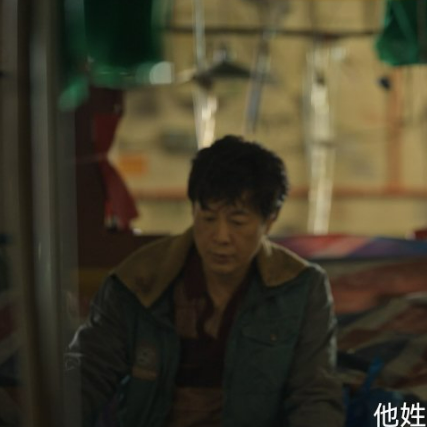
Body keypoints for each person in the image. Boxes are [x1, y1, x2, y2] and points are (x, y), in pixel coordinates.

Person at [65, 135, 344, 427]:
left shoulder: (300, 288)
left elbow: (314, 395)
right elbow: (87, 375)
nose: (220, 237)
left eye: (237, 222)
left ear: (269, 220)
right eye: (208, 218)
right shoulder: (139, 280)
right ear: (193, 209)